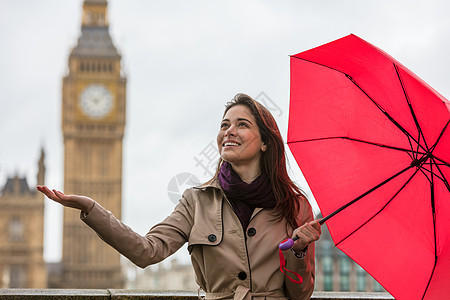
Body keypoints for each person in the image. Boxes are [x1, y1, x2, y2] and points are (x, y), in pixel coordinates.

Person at [37, 93, 321, 300]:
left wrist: (298, 252)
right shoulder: (196, 201)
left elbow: (301, 293)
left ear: (265, 143)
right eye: (224, 125)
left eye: (242, 125)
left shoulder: (295, 206)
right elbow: (146, 251)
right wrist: (92, 209)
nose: (229, 131)